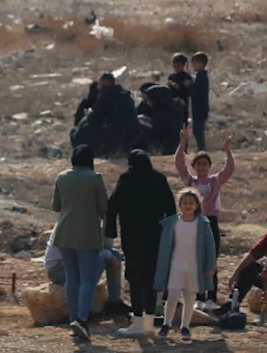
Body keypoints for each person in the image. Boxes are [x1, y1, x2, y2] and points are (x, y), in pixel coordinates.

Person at [107, 149, 177, 337]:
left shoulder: (127, 179)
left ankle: (137, 323)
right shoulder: (159, 179)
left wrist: (111, 232)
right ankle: (148, 324)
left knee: (135, 278)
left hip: (132, 238)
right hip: (155, 237)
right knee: (150, 280)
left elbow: (112, 206)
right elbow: (171, 210)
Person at [52, 145, 109, 342]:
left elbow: (56, 206)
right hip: (86, 234)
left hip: (64, 232)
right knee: (88, 279)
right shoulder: (95, 178)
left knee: (72, 278)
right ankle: (83, 320)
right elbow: (104, 207)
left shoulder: (62, 177)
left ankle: (73, 318)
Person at [175, 127, 235, 310]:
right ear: (194, 166)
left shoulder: (215, 181)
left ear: (209, 166)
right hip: (195, 222)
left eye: (204, 164)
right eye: (198, 164)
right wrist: (183, 143)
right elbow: (179, 164)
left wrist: (228, 151)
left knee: (211, 260)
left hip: (211, 223)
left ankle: (212, 296)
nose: (201, 166)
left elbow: (229, 169)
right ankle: (199, 296)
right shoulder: (191, 182)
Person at [153, 188, 217, 343]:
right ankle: (166, 324)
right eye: (185, 202)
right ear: (180, 205)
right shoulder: (172, 222)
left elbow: (210, 245)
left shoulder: (203, 223)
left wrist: (210, 266)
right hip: (176, 264)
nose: (188, 206)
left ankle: (185, 326)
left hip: (194, 267)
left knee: (190, 297)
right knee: (173, 295)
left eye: (191, 203)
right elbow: (165, 246)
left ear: (196, 205)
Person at [44, 225, 129, 315]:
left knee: (115, 255)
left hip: (75, 261)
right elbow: (86, 252)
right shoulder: (79, 221)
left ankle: (114, 302)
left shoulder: (92, 220)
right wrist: (108, 255)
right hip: (58, 268)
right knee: (100, 258)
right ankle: (82, 310)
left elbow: (106, 246)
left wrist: (107, 224)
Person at [141, 83, 185, 154]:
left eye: (150, 99)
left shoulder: (160, 111)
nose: (148, 103)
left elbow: (156, 131)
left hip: (166, 146)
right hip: (177, 143)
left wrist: (142, 123)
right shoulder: (174, 107)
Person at [190, 52, 211, 148]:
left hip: (200, 108)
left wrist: (190, 86)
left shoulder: (201, 77)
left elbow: (197, 93)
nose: (193, 66)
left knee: (198, 130)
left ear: (201, 64)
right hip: (198, 108)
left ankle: (202, 149)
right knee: (197, 130)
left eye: (194, 63)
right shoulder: (200, 76)